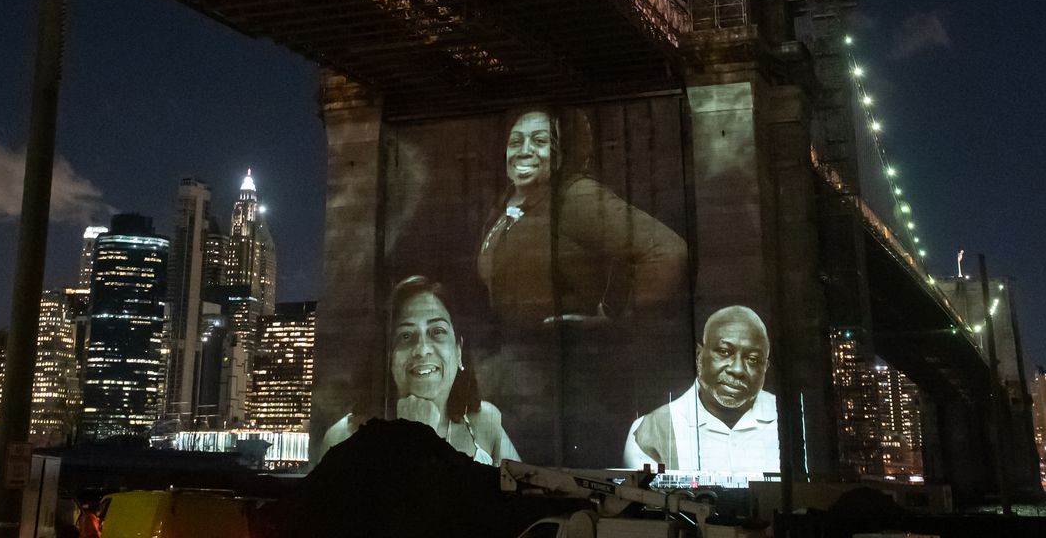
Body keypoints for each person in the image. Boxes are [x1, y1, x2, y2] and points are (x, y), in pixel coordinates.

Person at [476, 106, 686, 330]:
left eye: (539, 141)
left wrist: (617, 320)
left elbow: (668, 251)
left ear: (562, 150)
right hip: (510, 351)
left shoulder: (576, 196)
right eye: (515, 142)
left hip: (562, 354)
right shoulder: (504, 202)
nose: (524, 151)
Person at [320, 276, 519, 464]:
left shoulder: (486, 422)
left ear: (459, 351)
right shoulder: (343, 438)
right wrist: (416, 435)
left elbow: (531, 494)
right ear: (387, 357)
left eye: (437, 332)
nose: (422, 349)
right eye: (406, 336)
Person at [622, 306, 782, 478]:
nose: (737, 369)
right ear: (699, 356)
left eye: (752, 359)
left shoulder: (790, 420)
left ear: (765, 367)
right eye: (724, 352)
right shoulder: (651, 432)